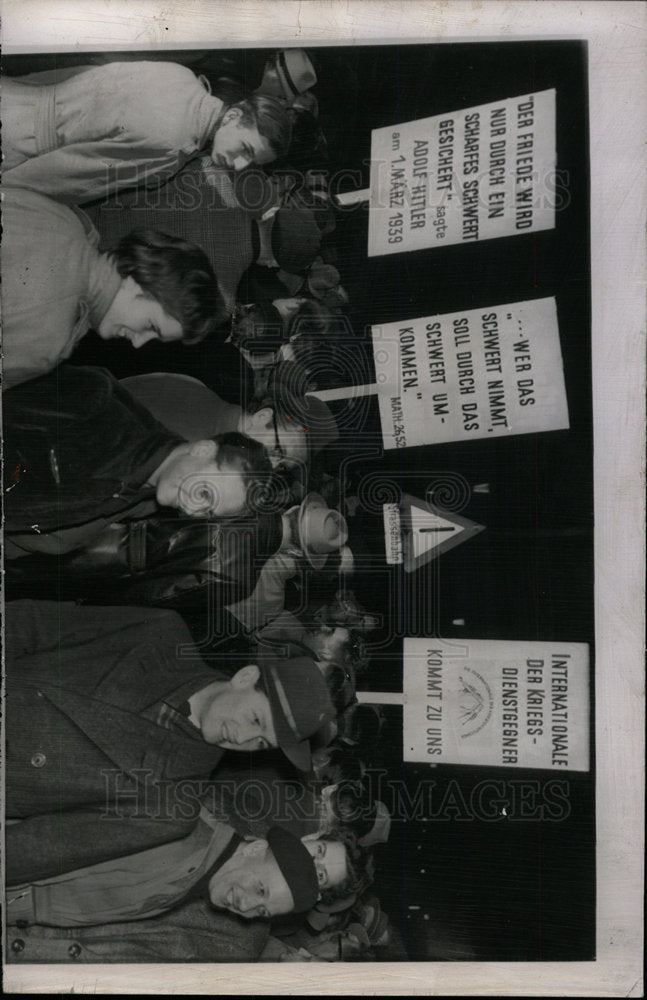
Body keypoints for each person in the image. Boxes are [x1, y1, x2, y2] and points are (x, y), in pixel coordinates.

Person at [4, 599, 336, 883]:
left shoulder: (174, 807)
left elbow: (40, 847)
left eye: (262, 743)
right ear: (245, 677)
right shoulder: (160, 633)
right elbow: (33, 624)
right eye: (255, 720)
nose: (242, 738)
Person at [3, 365, 272, 560]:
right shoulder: (97, 405)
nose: (193, 510)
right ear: (203, 450)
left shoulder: (143, 498)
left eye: (209, 512)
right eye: (204, 492)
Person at [1, 187, 225, 390]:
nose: (138, 343)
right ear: (141, 280)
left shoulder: (68, 218)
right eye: (151, 327)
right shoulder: (48, 339)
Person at [1, 61, 292, 203]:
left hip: (15, 94)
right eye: (246, 149)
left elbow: (78, 72)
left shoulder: (181, 74)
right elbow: (70, 175)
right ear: (234, 115)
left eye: (251, 163)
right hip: (18, 150)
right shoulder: (173, 150)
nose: (239, 165)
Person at [7, 818, 333, 927]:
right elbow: (53, 841)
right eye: (260, 890)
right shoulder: (181, 834)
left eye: (262, 911)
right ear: (254, 849)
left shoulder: (195, 880)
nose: (246, 908)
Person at [122, 368, 339, 469]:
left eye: (281, 466)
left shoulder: (199, 390)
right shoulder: (193, 445)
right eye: (278, 451)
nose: (271, 467)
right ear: (263, 416)